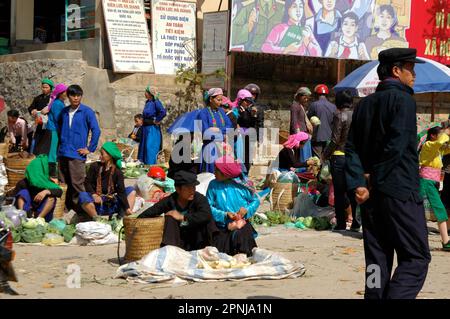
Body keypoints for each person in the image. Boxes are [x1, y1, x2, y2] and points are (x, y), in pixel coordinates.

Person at [345, 48, 431, 299]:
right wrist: (372, 184)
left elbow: (351, 149)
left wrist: (359, 184)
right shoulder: (403, 100)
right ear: (396, 70)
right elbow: (397, 146)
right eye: (411, 69)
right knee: (416, 257)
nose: (414, 75)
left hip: (371, 197)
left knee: (376, 258)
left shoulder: (364, 104)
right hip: (398, 192)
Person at [138, 170, 217, 251]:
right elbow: (150, 212)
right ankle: (170, 251)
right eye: (188, 188)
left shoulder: (200, 199)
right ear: (178, 189)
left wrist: (182, 217)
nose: (192, 191)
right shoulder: (169, 200)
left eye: (193, 187)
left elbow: (206, 215)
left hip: (199, 239)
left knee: (205, 219)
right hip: (180, 240)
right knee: (170, 218)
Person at [58, 84, 101, 213]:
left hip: (77, 153)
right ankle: (65, 208)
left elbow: (96, 130)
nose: (76, 98)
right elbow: (60, 128)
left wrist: (90, 148)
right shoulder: (64, 112)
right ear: (68, 96)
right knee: (64, 183)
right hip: (63, 152)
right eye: (73, 95)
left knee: (77, 183)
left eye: (78, 95)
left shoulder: (86, 111)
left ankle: (83, 210)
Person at [207, 155, 260, 256]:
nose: (214, 173)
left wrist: (247, 210)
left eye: (217, 171)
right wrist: (224, 215)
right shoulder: (213, 185)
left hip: (241, 224)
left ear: (226, 173)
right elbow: (208, 206)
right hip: (221, 226)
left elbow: (256, 200)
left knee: (242, 243)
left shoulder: (244, 185)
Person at [323, 90, 359, 231]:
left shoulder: (339, 115)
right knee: (352, 190)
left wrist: (325, 155)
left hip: (339, 156)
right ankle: (355, 222)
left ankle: (341, 223)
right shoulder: (356, 115)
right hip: (353, 155)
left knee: (339, 192)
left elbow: (335, 139)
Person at [79, 142, 136, 218]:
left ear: (110, 155)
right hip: (97, 204)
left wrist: (127, 208)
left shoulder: (117, 172)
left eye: (102, 154)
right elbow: (87, 183)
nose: (100, 156)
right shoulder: (95, 166)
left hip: (112, 204)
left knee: (131, 191)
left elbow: (121, 191)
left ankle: (123, 217)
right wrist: (94, 194)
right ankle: (96, 219)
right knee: (83, 196)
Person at [419, 126, 450, 250]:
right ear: (432, 135)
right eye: (440, 133)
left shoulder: (437, 148)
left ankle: (446, 240)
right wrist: (446, 132)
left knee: (429, 211)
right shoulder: (428, 145)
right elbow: (440, 142)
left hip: (432, 182)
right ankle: (446, 241)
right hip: (426, 182)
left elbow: (444, 145)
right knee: (437, 210)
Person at [14, 155, 62, 222]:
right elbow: (16, 198)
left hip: (42, 214)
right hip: (27, 211)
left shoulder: (47, 182)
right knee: (23, 193)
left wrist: (46, 191)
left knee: (51, 197)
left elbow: (59, 191)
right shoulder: (23, 183)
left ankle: (38, 221)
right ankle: (22, 217)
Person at [197, 88, 233, 173]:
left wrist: (217, 129)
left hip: (223, 146)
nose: (220, 102)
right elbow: (205, 133)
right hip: (210, 147)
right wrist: (222, 133)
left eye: (221, 100)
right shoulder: (203, 113)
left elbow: (230, 126)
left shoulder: (221, 112)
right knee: (211, 173)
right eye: (218, 100)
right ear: (210, 99)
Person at [138, 86, 167, 165]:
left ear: (150, 93)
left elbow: (163, 112)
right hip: (146, 128)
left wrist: (157, 120)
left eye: (146, 92)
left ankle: (151, 166)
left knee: (150, 148)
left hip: (152, 129)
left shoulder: (156, 102)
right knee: (144, 148)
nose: (145, 93)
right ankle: (144, 166)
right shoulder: (147, 102)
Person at [45, 83, 67, 179]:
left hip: (54, 129)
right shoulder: (58, 103)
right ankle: (52, 174)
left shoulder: (60, 102)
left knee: (53, 152)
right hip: (53, 130)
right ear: (61, 93)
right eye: (66, 92)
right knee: (52, 153)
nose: (67, 94)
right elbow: (59, 119)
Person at [308, 84, 336, 158]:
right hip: (329, 138)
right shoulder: (333, 106)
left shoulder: (314, 105)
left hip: (317, 137)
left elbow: (308, 119)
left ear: (316, 94)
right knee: (326, 159)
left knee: (317, 159)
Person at [28, 78, 54, 155]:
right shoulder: (38, 98)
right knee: (36, 139)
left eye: (46, 87)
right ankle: (33, 155)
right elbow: (31, 107)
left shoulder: (52, 99)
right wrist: (32, 111)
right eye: (43, 87)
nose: (44, 89)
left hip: (48, 123)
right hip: (38, 123)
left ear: (51, 88)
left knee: (45, 141)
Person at [236, 89, 259, 174]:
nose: (248, 103)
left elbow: (251, 124)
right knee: (240, 156)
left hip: (247, 137)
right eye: (246, 101)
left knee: (247, 157)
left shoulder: (247, 111)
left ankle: (246, 173)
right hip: (239, 137)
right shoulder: (237, 111)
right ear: (241, 100)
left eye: (249, 102)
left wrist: (253, 115)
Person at [290, 86, 313, 165]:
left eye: (307, 98)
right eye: (305, 98)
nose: (306, 100)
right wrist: (297, 136)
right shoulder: (295, 106)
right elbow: (294, 122)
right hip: (300, 137)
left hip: (304, 136)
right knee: (300, 157)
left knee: (304, 157)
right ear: (300, 96)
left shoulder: (300, 106)